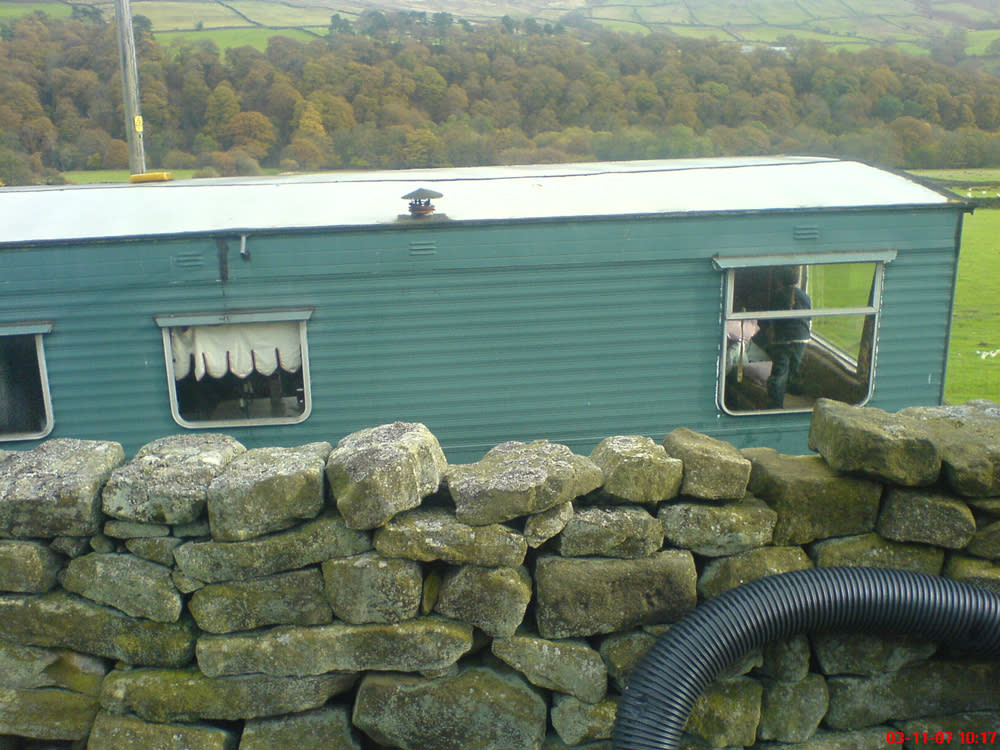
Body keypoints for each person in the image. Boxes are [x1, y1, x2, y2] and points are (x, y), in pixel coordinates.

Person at [761, 266, 811, 409]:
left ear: (780, 280)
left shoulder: (778, 296)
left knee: (780, 369)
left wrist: (770, 335)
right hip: (801, 338)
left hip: (782, 338)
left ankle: (776, 402)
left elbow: (773, 319)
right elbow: (808, 316)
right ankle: (794, 389)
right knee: (795, 366)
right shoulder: (805, 296)